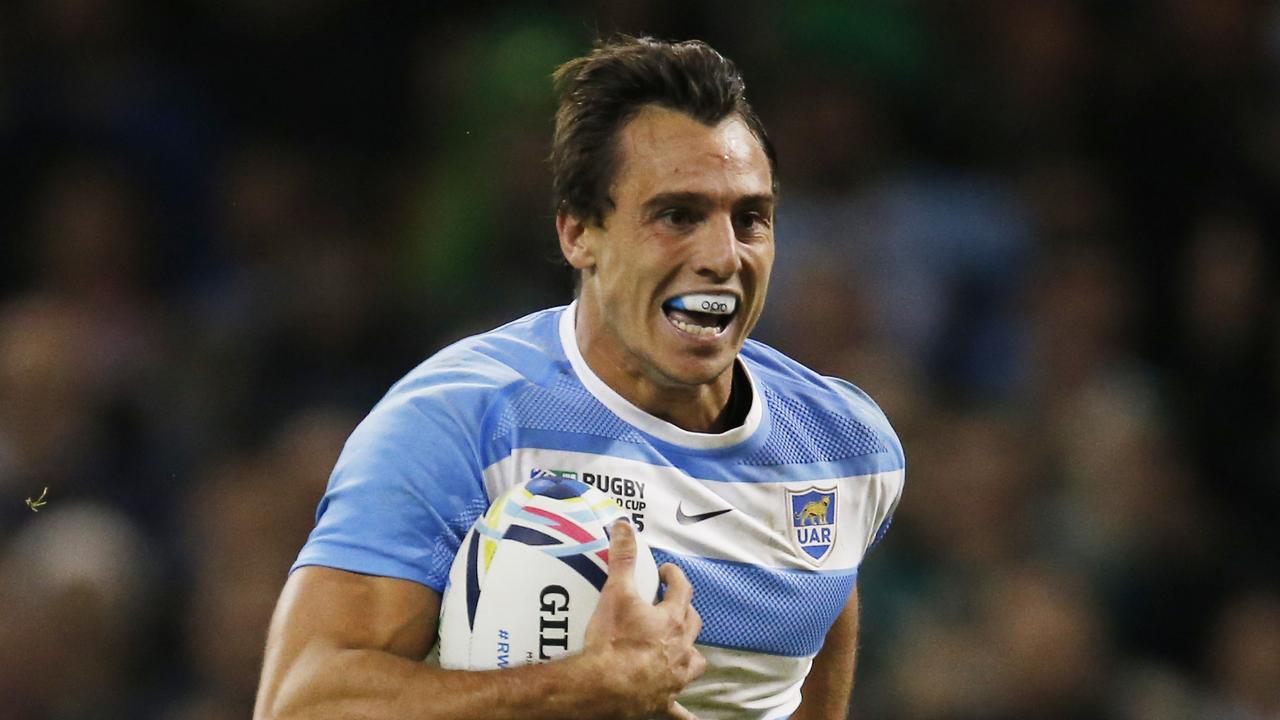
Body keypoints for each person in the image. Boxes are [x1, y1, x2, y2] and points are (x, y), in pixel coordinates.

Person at [254, 35, 904, 720]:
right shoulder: (461, 423)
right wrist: (578, 688)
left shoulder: (846, 451)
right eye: (677, 216)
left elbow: (818, 636)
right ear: (578, 234)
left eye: (750, 219)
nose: (721, 255)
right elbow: (302, 703)